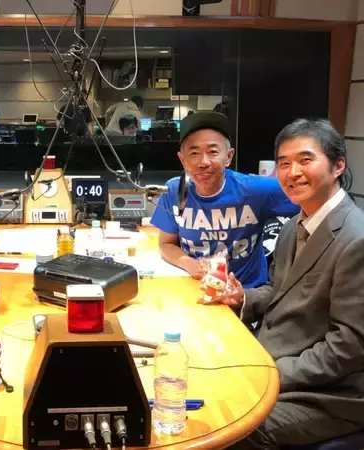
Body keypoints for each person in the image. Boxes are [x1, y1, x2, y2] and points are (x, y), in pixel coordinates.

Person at [213, 118, 364, 449]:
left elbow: (350, 346)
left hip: (332, 393)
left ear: (338, 165)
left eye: (305, 160)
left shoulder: (356, 240)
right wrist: (241, 298)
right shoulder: (293, 225)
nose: (292, 172)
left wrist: (271, 373)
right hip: (274, 359)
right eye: (284, 163)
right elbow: (278, 291)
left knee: (231, 428)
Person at [151, 112, 299, 288]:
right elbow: (166, 244)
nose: (203, 162)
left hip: (248, 294)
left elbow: (314, 203)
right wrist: (191, 264)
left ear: (229, 157)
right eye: (194, 153)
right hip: (196, 289)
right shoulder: (175, 190)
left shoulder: (256, 190)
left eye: (213, 152)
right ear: (182, 160)